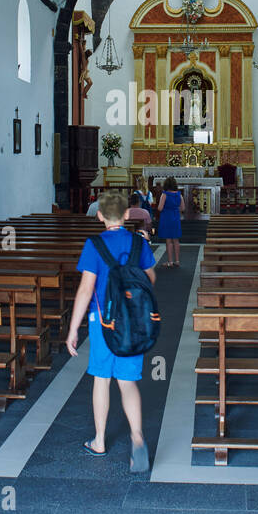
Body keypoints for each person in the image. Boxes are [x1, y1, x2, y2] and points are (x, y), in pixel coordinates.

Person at [66, 189, 157, 473]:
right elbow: (151, 279)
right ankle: (137, 438)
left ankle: (100, 440)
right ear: (128, 214)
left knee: (102, 380)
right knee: (128, 382)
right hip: (133, 321)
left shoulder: (93, 245)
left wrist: (73, 329)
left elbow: (85, 290)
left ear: (100, 215)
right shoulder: (138, 243)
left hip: (101, 321)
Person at [156, 176, 183, 267]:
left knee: (168, 241)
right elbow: (183, 208)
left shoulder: (165, 194)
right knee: (176, 240)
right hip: (175, 217)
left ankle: (170, 262)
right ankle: (177, 260)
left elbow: (160, 208)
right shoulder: (179, 195)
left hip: (166, 218)